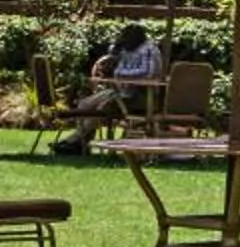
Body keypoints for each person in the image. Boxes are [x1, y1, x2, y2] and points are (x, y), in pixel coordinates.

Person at [52, 23, 162, 154]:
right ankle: (81, 144)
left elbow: (148, 73)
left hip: (141, 95)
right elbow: (113, 62)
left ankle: (74, 142)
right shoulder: (126, 49)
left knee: (104, 108)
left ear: (135, 39)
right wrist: (113, 55)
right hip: (120, 92)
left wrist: (120, 74)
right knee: (85, 104)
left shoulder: (149, 49)